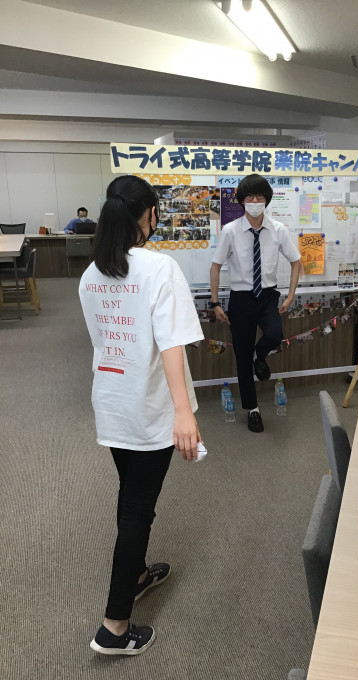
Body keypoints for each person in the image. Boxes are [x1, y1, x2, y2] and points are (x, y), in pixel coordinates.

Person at [79, 175, 204, 656]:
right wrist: (183, 413)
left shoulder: (92, 274)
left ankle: (135, 575)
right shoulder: (159, 268)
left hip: (112, 403)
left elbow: (104, 341)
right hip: (151, 408)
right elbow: (171, 345)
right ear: (149, 214)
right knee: (137, 509)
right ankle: (114, 627)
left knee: (129, 491)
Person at [210, 173, 301, 433]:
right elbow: (215, 267)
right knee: (241, 356)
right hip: (241, 299)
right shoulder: (230, 231)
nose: (254, 201)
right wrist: (215, 303)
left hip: (268, 295)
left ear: (267, 200)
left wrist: (291, 295)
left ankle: (259, 357)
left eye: (259, 196)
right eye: (249, 196)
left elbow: (296, 262)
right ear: (241, 200)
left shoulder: (278, 230)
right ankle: (253, 409)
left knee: (274, 335)